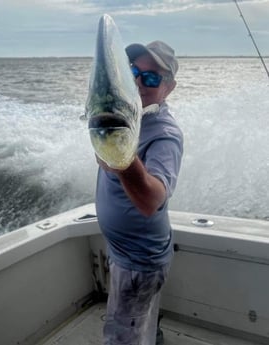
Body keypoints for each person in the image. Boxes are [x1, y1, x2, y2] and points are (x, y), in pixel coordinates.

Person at [95, 40, 184, 345]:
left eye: (151, 78)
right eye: (133, 71)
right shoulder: (129, 116)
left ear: (168, 88)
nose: (137, 81)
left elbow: (152, 199)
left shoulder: (165, 135)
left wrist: (117, 149)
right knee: (140, 323)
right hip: (123, 252)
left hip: (139, 261)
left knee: (122, 337)